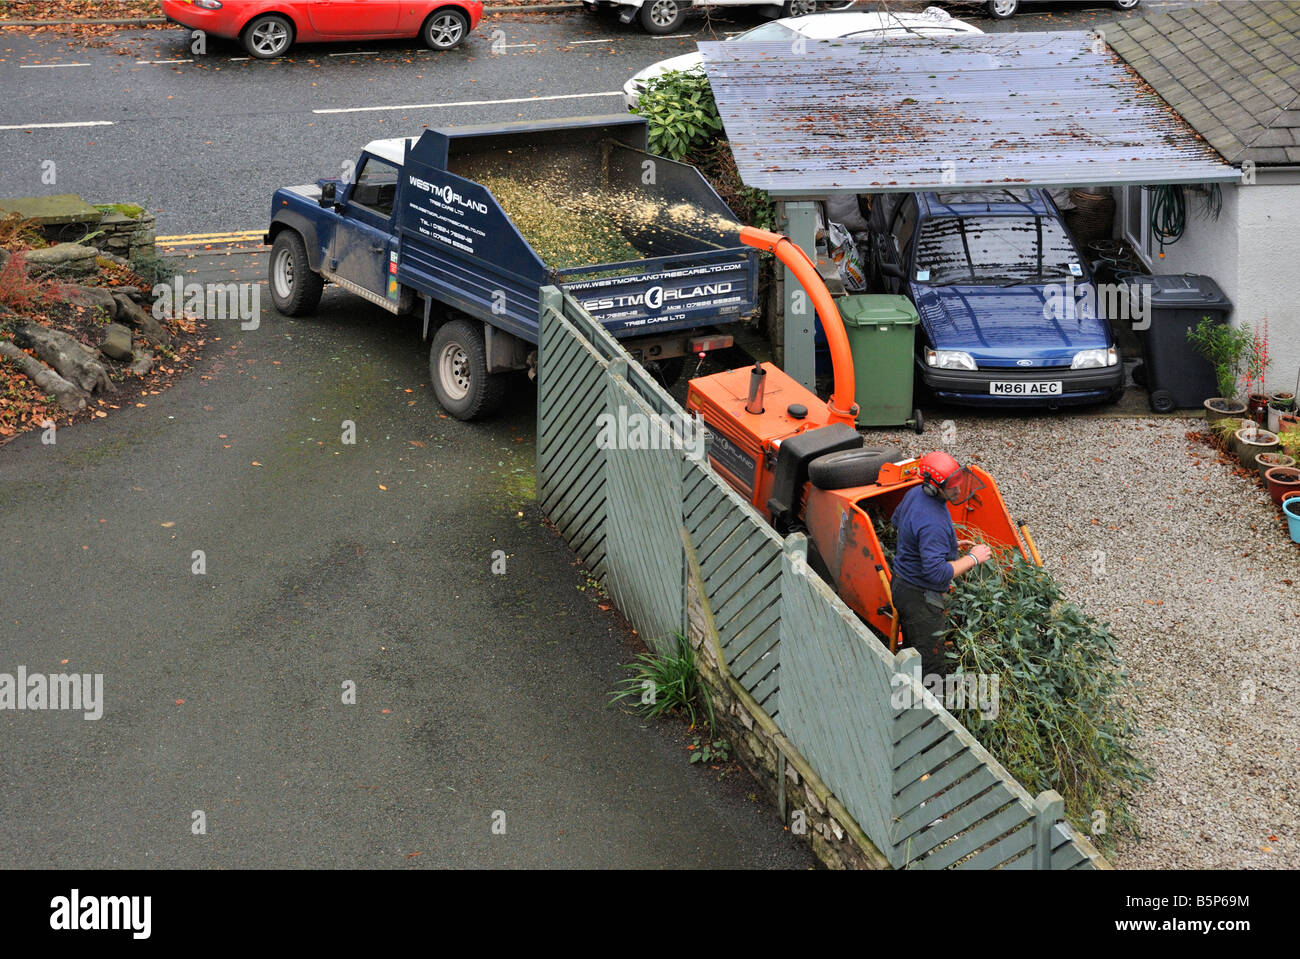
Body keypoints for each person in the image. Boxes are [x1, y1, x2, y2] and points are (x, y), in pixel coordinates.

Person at [889, 451, 993, 676]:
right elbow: (937, 573)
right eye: (952, 487)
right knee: (930, 664)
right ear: (933, 487)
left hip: (901, 584)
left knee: (912, 647)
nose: (958, 489)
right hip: (920, 599)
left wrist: (945, 544)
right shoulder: (932, 522)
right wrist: (972, 558)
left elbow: (898, 523)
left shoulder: (914, 494)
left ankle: (910, 686)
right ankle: (929, 707)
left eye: (959, 483)